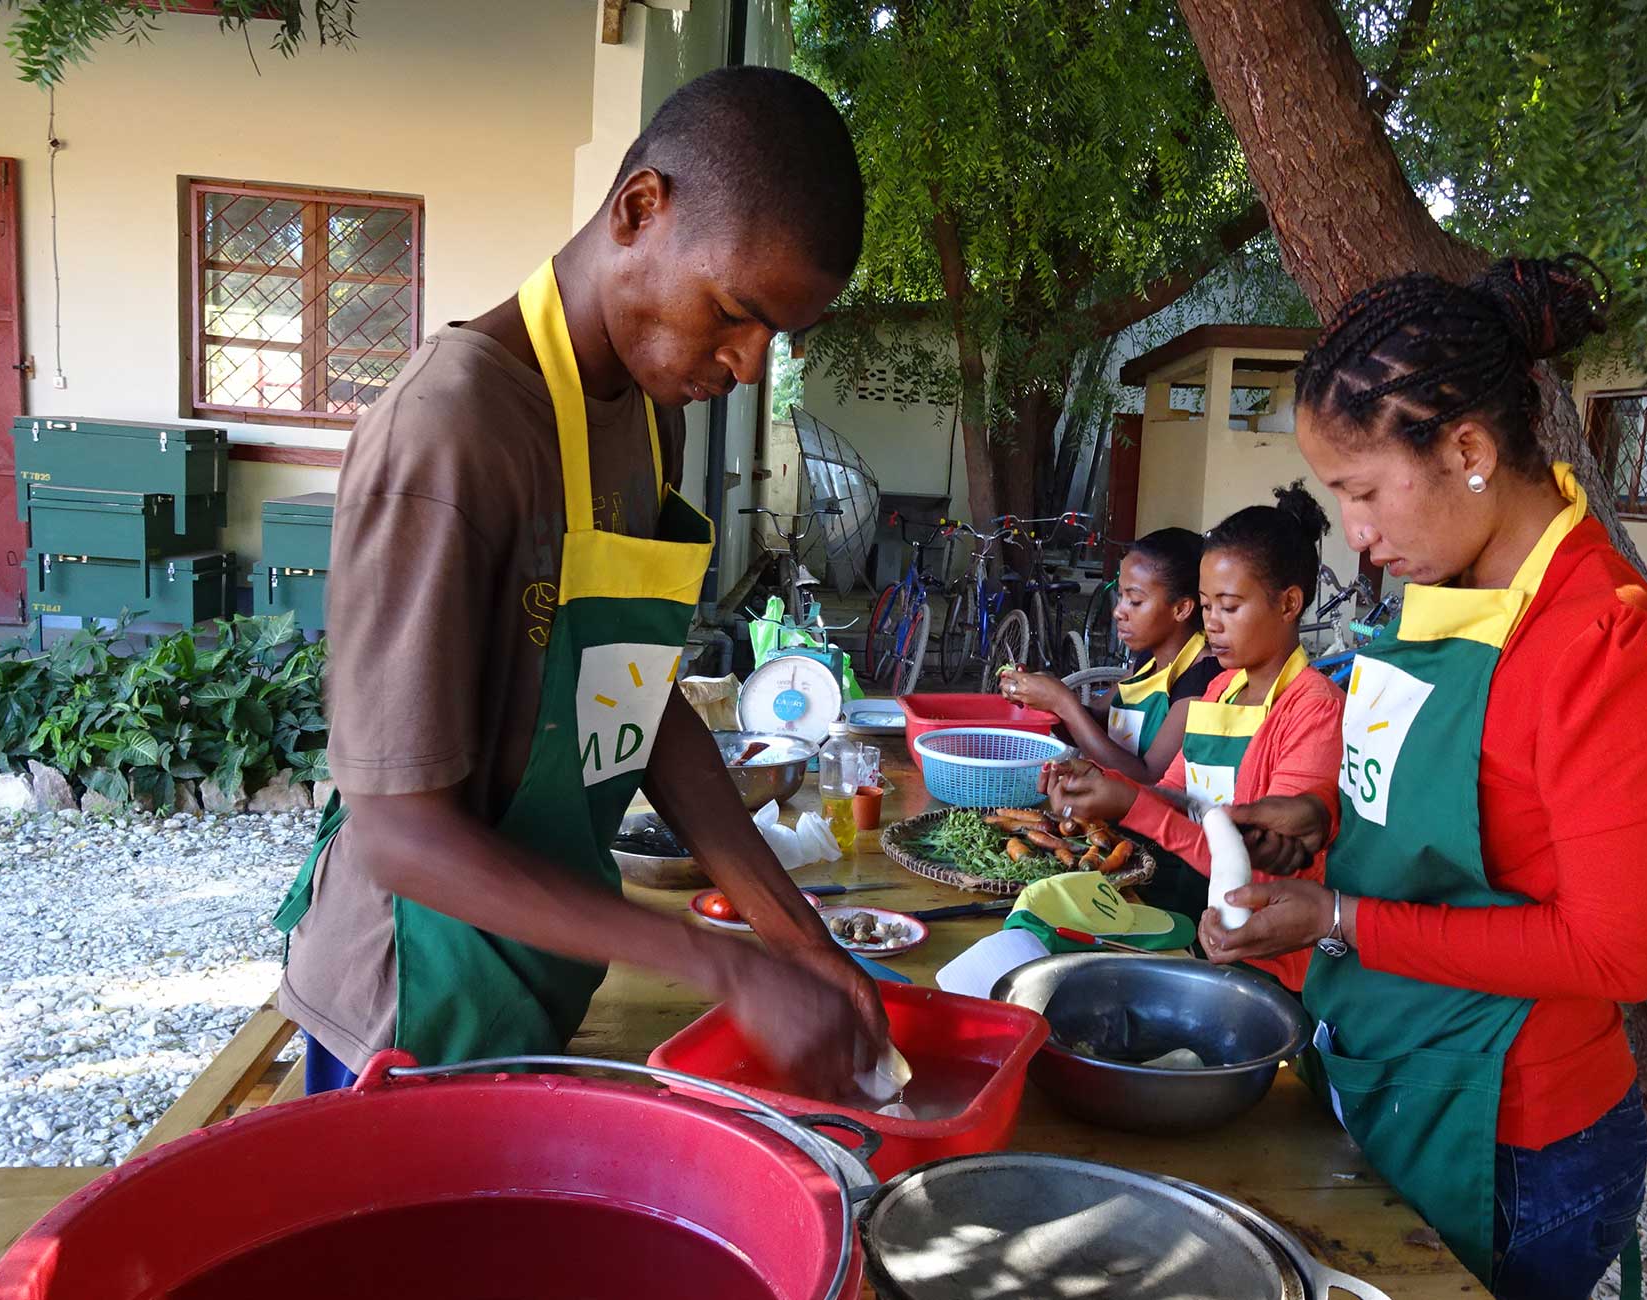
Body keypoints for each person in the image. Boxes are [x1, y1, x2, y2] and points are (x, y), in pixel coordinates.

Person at [272, 67, 887, 1098]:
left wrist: (795, 937)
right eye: (734, 314)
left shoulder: (653, 418)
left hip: (539, 974)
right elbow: (401, 834)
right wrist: (718, 962)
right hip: (408, 1006)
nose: (745, 364)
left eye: (774, 336)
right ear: (639, 209)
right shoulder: (449, 430)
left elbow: (635, 703)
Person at [1201, 256, 1647, 1299]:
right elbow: (1425, 794)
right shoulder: (1443, 586)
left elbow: (1616, 951)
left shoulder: (1605, 641)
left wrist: (1335, 915)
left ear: (1466, 449)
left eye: (1363, 490)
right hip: (1385, 1067)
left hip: (1513, 1139)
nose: (1356, 536)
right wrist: (1310, 818)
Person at [1040, 485, 1344, 992]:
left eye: (1229, 606)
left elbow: (1258, 865)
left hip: (1264, 959)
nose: (1212, 624)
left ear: (1289, 603)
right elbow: (1177, 794)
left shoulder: (1314, 710)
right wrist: (1102, 787)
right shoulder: (1223, 688)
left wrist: (1131, 805)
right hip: (1190, 919)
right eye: (1206, 606)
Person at [999, 527, 1217, 785]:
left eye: (1134, 601)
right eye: (1121, 595)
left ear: (1181, 608)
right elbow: (1096, 723)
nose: (1118, 612)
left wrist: (1062, 702)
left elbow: (1148, 777)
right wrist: (1044, 699)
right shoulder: (1148, 660)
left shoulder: (1202, 676)